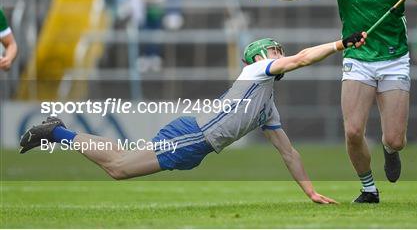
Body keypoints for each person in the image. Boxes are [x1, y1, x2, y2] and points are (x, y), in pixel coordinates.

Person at [19, 32, 367, 204]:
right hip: (193, 136)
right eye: (276, 50)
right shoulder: (258, 70)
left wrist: (311, 192)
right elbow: (302, 59)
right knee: (119, 168)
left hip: (194, 143)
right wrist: (340, 45)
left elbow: (289, 153)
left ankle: (58, 133)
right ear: (260, 56)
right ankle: (57, 134)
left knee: (121, 160)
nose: (282, 54)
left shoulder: (266, 105)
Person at [258, 0, 417, 203]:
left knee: (395, 139)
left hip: (394, 58)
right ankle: (369, 188)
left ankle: (390, 152)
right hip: (357, 58)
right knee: (354, 131)